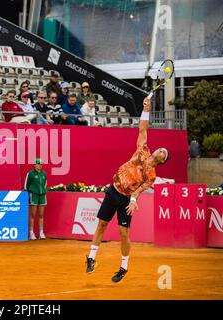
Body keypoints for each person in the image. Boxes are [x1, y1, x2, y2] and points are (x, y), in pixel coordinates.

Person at [85, 97, 169, 283]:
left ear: (162, 160)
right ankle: (91, 258)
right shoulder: (142, 149)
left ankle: (123, 267)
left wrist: (133, 200)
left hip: (125, 200)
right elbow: (143, 128)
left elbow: (139, 190)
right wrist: (146, 108)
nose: (161, 150)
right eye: (161, 149)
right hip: (113, 190)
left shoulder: (152, 175)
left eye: (164, 152)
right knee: (102, 225)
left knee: (124, 233)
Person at [25, 158, 48, 240]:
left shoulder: (44, 173)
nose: (40, 166)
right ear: (34, 165)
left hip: (42, 196)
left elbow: (45, 184)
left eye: (41, 164)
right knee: (32, 215)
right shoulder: (30, 174)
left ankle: (41, 233)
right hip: (33, 195)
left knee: (41, 215)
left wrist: (43, 191)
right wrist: (31, 192)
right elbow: (26, 186)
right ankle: (31, 233)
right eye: (38, 164)